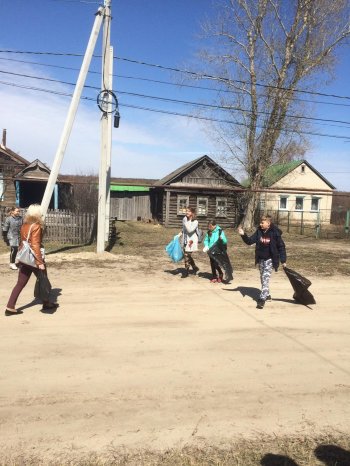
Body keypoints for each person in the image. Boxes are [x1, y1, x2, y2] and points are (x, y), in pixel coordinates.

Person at [5, 204, 58, 316]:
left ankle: (10, 306)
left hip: (25, 258)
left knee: (20, 283)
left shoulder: (25, 224)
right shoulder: (37, 226)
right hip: (34, 259)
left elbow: (22, 242)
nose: (42, 213)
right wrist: (40, 263)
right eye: (40, 212)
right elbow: (35, 245)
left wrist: (19, 258)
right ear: (37, 213)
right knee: (43, 280)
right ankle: (46, 303)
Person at [238, 214, 287, 309]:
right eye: (260, 222)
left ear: (268, 223)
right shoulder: (259, 232)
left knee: (265, 278)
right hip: (261, 259)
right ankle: (267, 294)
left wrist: (283, 260)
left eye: (262, 222)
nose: (260, 224)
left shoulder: (274, 233)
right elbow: (249, 241)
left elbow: (281, 247)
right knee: (262, 277)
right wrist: (243, 234)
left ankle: (262, 299)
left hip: (270, 259)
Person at [178, 207, 199, 278]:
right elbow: (184, 229)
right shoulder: (184, 219)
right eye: (186, 211)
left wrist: (186, 222)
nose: (187, 212)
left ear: (192, 213)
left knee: (186, 255)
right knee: (187, 255)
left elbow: (190, 230)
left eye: (189, 211)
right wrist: (180, 234)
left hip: (191, 241)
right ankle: (194, 267)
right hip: (185, 239)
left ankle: (186, 272)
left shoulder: (195, 221)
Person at [2, 206, 23, 270]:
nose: (18, 212)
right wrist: (5, 238)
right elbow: (5, 229)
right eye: (17, 211)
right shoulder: (9, 219)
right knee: (14, 249)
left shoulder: (21, 218)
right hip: (11, 236)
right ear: (13, 211)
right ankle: (12, 263)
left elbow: (23, 226)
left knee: (20, 250)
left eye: (19, 211)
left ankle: (20, 263)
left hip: (19, 236)